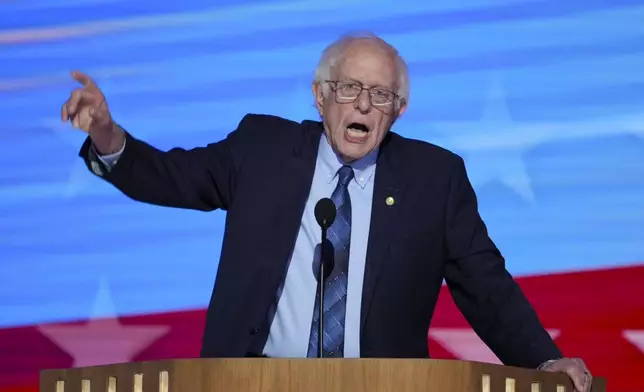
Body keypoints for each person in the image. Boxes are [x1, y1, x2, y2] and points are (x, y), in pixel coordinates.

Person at [61, 32, 592, 391]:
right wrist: (107, 135)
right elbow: (168, 177)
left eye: (380, 94)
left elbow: (486, 285)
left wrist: (542, 360)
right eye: (349, 89)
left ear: (398, 110)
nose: (362, 105)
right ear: (320, 97)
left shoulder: (434, 179)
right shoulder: (261, 149)